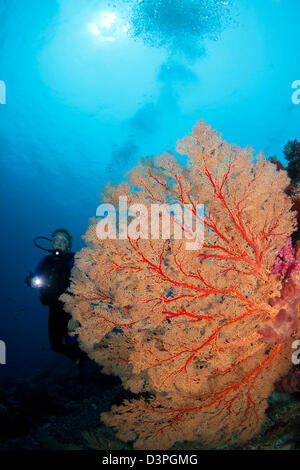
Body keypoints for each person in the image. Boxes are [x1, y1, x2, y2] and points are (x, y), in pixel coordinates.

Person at [26, 228, 83, 362]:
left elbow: (82, 288)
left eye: (62, 240)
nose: (58, 242)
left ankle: (88, 364)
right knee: (55, 346)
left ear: (68, 245)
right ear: (51, 243)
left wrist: (76, 316)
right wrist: (31, 281)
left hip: (71, 309)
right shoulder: (45, 261)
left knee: (75, 344)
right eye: (55, 239)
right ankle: (78, 360)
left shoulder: (73, 259)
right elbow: (32, 277)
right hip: (54, 308)